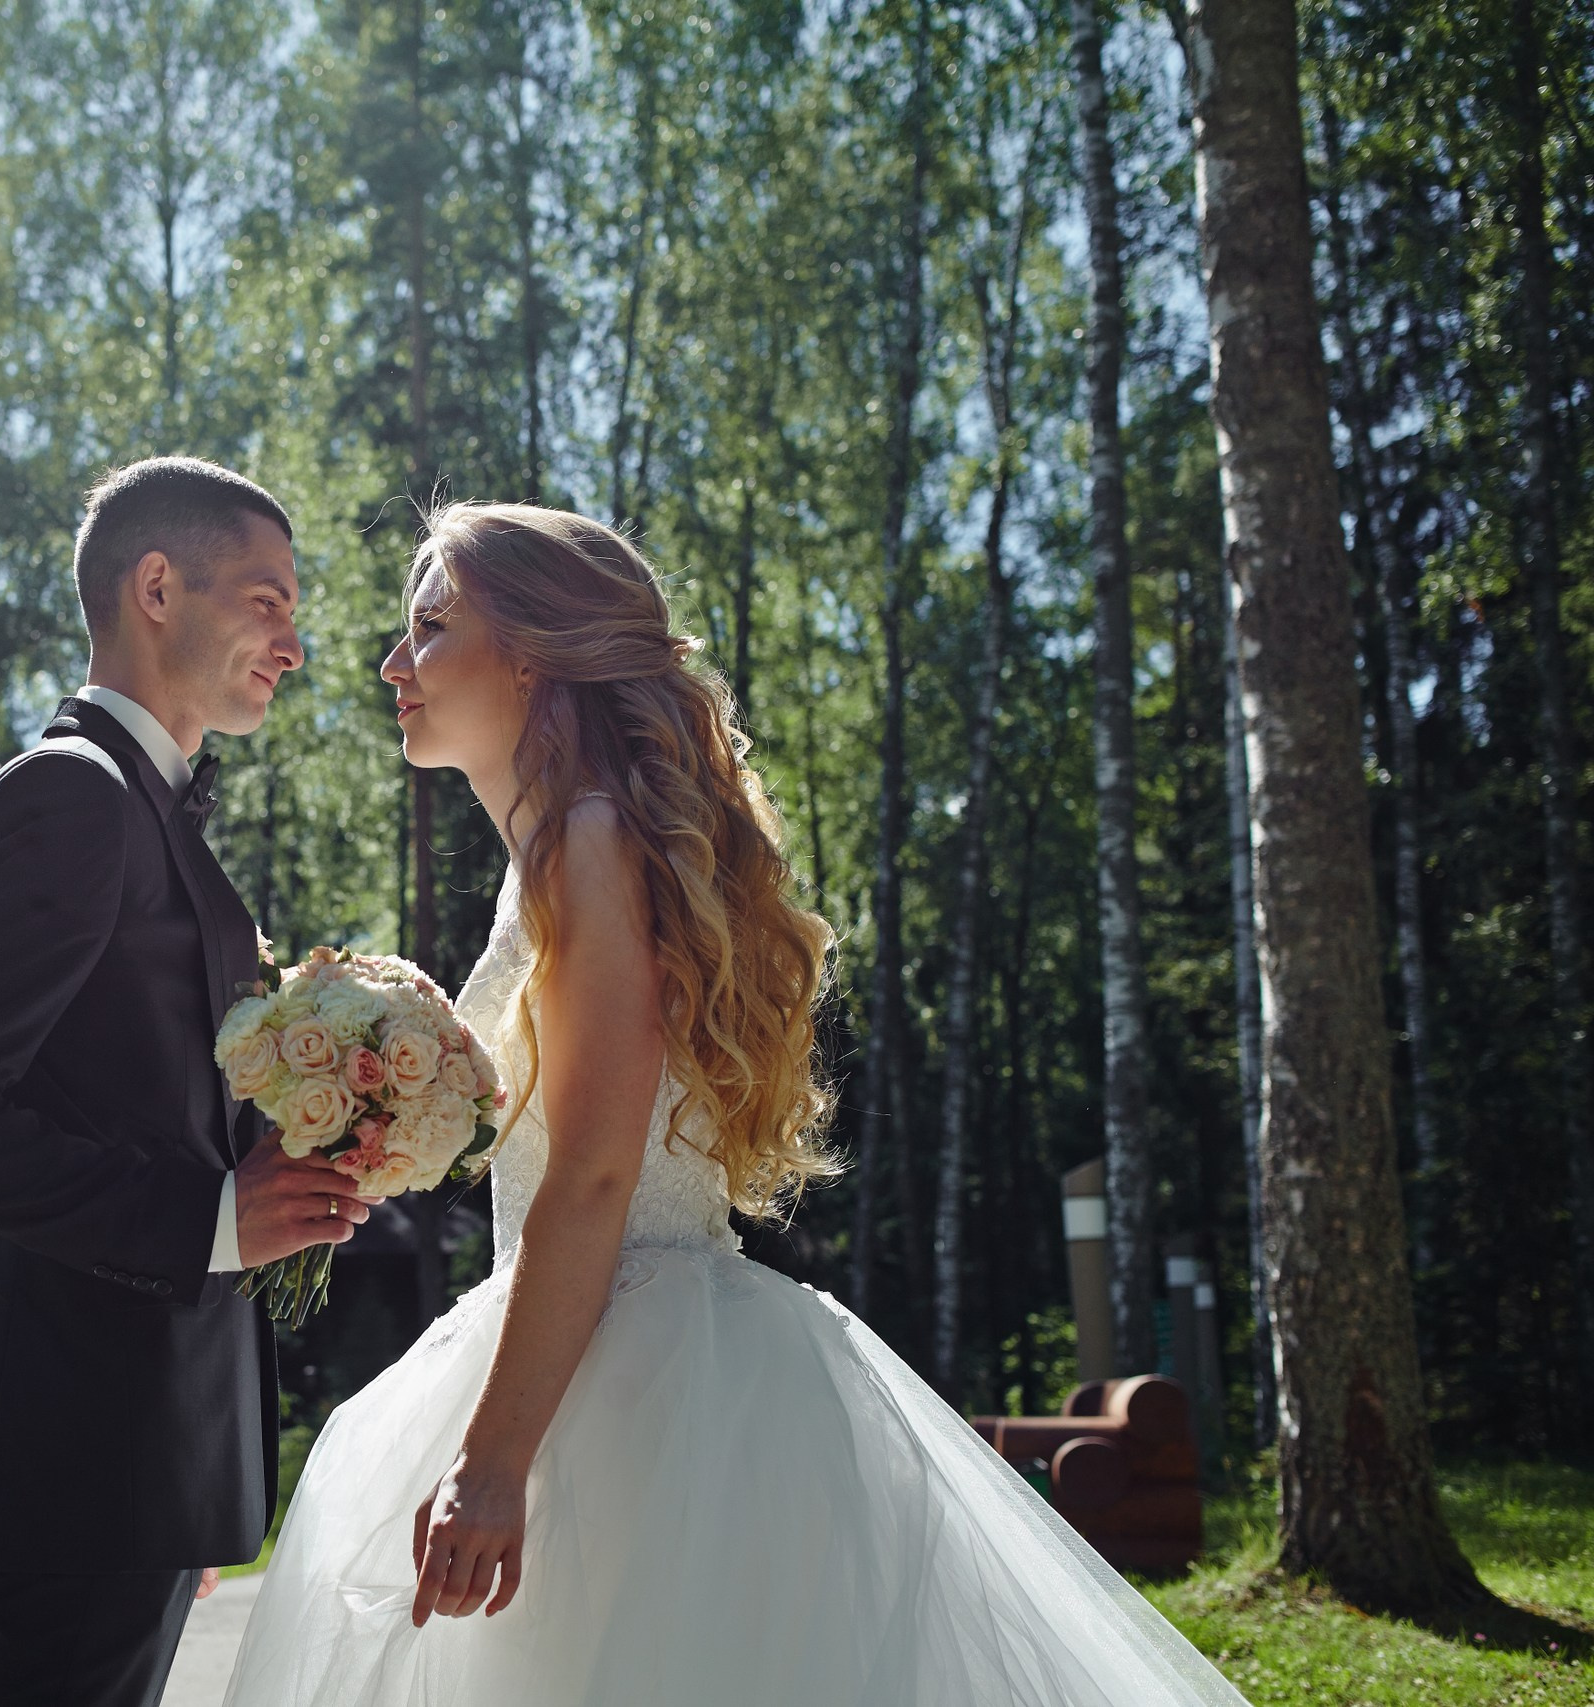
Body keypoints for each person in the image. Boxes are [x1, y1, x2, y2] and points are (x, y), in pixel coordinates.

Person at [222, 502, 1251, 1706]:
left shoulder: (587, 842)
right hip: (618, 1346)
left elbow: (596, 1173)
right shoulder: (566, 849)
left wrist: (491, 1464)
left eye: (431, 628)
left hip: (629, 1388)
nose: (394, 663)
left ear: (534, 655)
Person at [0, 457, 380, 1707]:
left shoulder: (145, 809)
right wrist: (210, 1219)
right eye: (266, 601)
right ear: (157, 587)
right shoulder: (71, 796)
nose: (293, 645)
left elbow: (135, 1097)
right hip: (82, 1435)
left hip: (141, 1443)